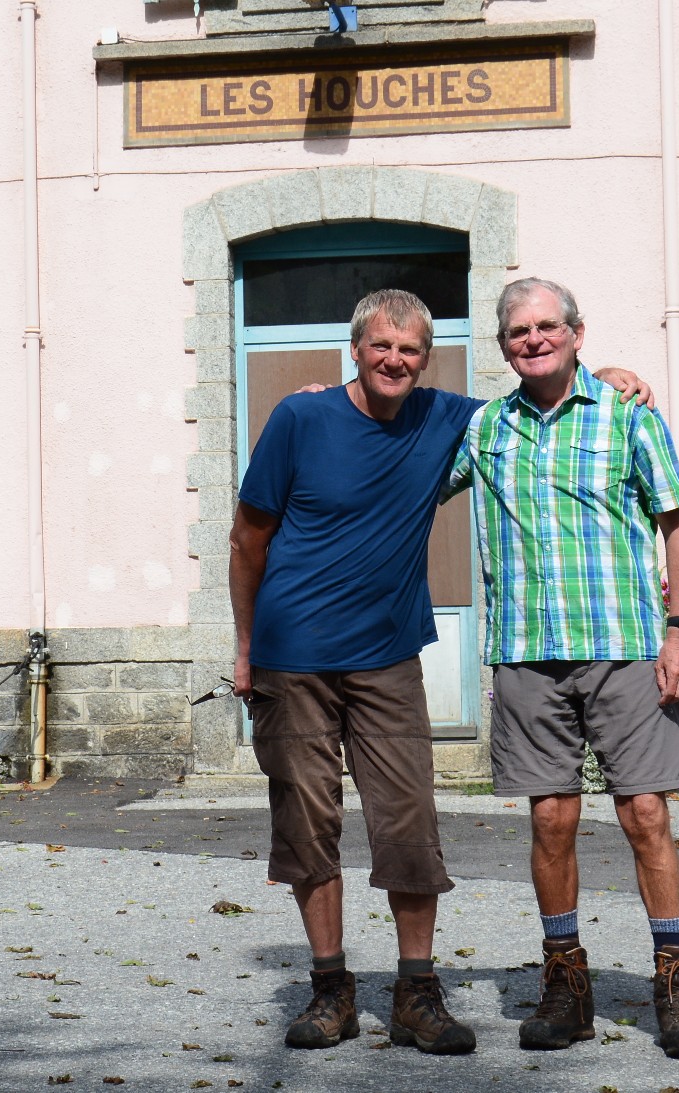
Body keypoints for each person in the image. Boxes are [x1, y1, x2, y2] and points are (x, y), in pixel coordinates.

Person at [229, 288, 650, 1055]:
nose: (394, 360)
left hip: (388, 658)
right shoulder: (299, 417)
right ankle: (330, 989)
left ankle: (416, 993)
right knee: (307, 825)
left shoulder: (449, 418)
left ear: (426, 358)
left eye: (410, 349)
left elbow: (539, 396)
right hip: (292, 656)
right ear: (355, 348)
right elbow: (247, 538)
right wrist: (245, 647)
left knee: (409, 826)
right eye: (381, 345)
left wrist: (612, 373)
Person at [445, 277, 679, 1059]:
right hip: (528, 650)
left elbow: (676, 523)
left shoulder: (628, 414)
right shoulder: (485, 428)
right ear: (504, 347)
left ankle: (676, 980)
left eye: (546, 327)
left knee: (646, 814)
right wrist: (336, 400)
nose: (533, 340)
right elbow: (402, 463)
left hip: (624, 644)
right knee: (551, 819)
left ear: (576, 332)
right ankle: (565, 982)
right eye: (518, 332)